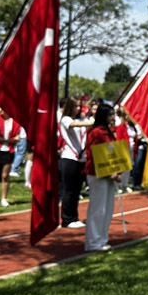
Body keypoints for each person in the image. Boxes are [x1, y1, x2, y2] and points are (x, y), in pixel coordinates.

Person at [83, 104, 120, 252]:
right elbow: (94, 154)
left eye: (113, 114)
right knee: (98, 209)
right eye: (110, 115)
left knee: (108, 208)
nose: (113, 117)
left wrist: (117, 171)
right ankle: (93, 242)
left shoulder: (108, 132)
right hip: (97, 174)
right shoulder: (96, 133)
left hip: (109, 174)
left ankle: (102, 239)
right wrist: (108, 172)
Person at [58, 97, 94, 228]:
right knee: (69, 190)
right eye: (76, 106)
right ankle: (66, 219)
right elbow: (73, 125)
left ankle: (74, 217)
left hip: (82, 158)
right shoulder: (65, 119)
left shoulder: (82, 120)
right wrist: (90, 122)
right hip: (69, 157)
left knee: (77, 190)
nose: (79, 109)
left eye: (80, 106)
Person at [0, 108, 23, 207]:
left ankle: (3, 198)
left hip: (8, 150)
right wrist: (0, 107)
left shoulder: (15, 120)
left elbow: (17, 138)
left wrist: (5, 140)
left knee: (5, 176)